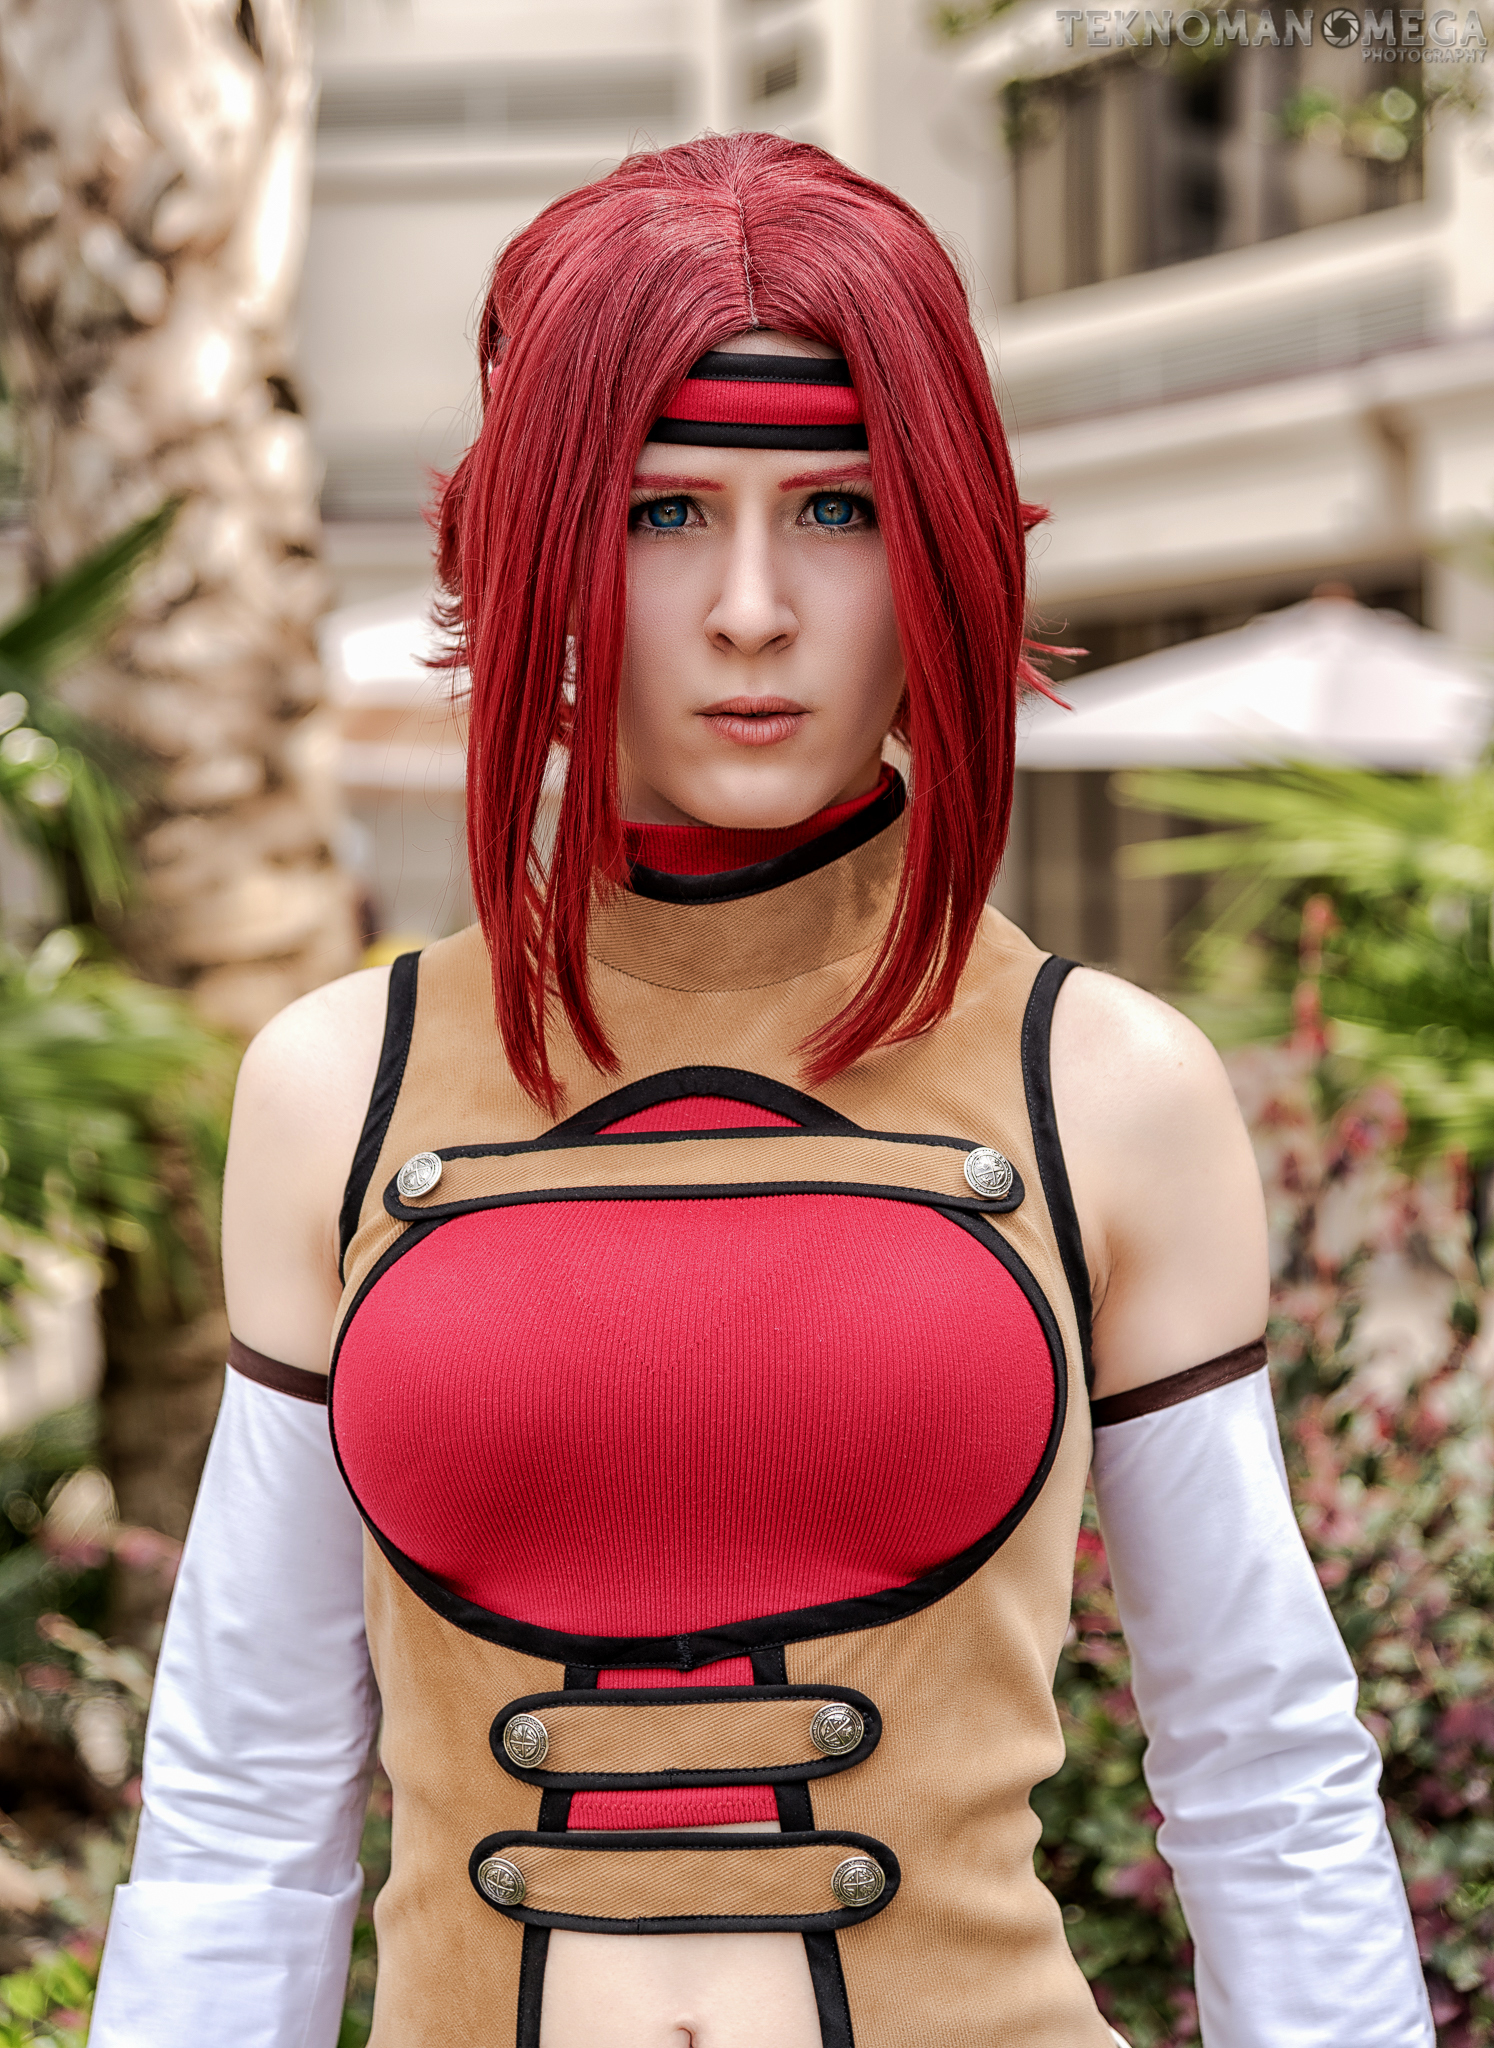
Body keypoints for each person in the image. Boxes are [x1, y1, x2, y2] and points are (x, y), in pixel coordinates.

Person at [89, 132, 1431, 2048]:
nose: (747, 607)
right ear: (534, 547)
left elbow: (1261, 1775)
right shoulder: (341, 1087)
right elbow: (244, 1808)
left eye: (835, 508)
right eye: (659, 510)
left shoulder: (1106, 1086)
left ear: (941, 546)